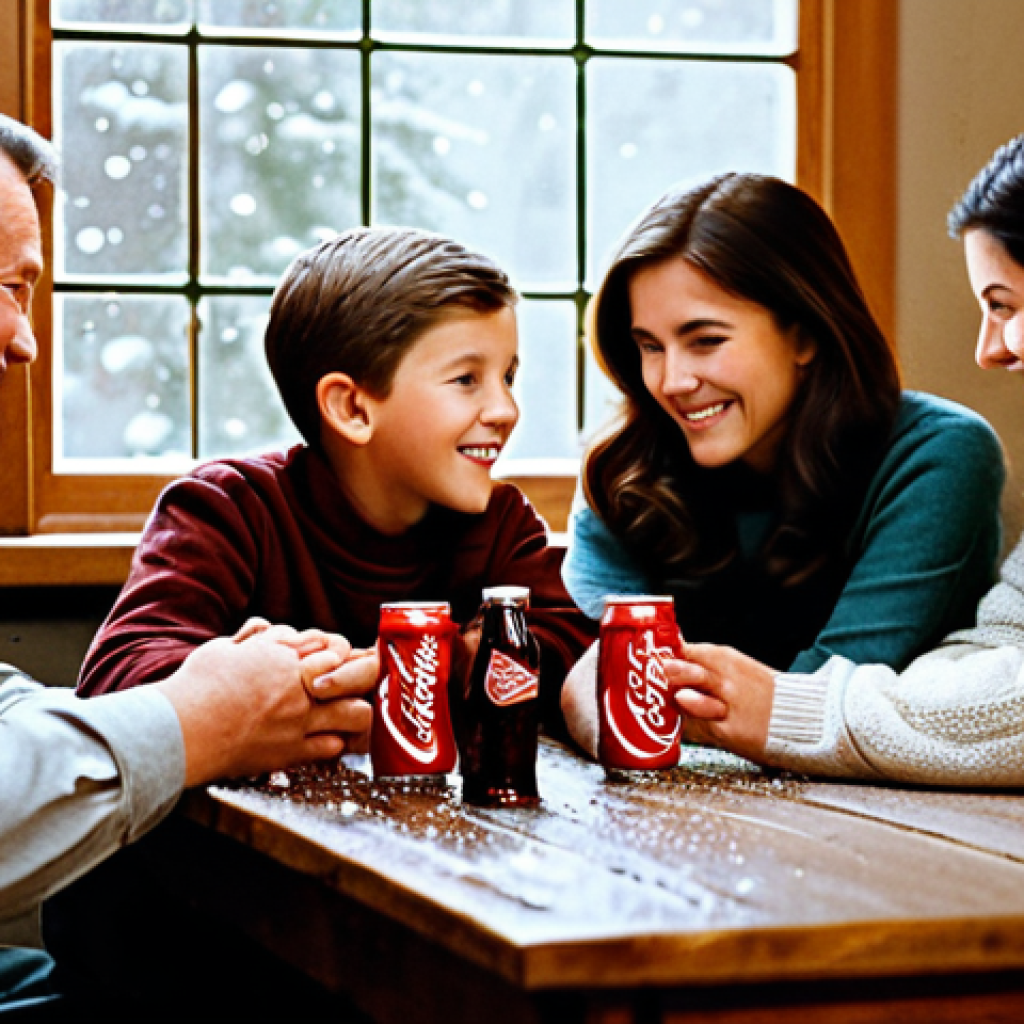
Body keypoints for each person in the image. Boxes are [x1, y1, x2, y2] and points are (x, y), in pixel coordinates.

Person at [0, 115, 378, 1009]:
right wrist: (201, 712)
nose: (24, 340)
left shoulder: (505, 527)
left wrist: (233, 690)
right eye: (4, 287)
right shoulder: (226, 503)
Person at [76, 224, 595, 733]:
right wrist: (277, 677)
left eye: (508, 377)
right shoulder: (226, 509)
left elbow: (573, 656)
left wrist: (446, 663)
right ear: (352, 408)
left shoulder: (502, 526)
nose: (506, 409)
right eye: (466, 380)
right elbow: (120, 679)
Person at [560, 174, 1005, 749]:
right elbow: (610, 698)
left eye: (706, 340)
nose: (671, 381)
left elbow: (816, 714)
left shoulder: (938, 456)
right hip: (656, 813)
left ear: (805, 335)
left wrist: (647, 707)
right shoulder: (623, 468)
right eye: (650, 346)